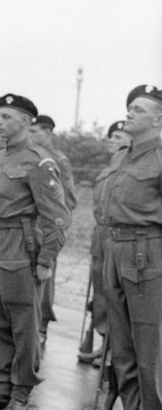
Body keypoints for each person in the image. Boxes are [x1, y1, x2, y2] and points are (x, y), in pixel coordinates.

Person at [0, 94, 68, 410]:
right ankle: (3, 386)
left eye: (7, 116)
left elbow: (56, 218)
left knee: (24, 325)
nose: (0, 122)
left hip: (22, 248)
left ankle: (21, 394)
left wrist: (46, 260)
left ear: (26, 122)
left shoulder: (38, 162)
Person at [86, 85, 162, 410]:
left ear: (159, 119)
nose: (129, 113)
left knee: (150, 350)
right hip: (114, 250)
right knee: (122, 346)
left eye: (139, 109)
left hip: (149, 252)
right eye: (129, 107)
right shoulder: (120, 157)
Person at [79, 120, 132, 363]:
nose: (113, 140)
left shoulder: (130, 168)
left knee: (118, 294)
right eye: (111, 136)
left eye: (120, 136)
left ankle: (116, 350)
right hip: (100, 235)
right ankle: (105, 342)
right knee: (101, 291)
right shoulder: (107, 169)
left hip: (118, 235)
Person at [28, 113, 75, 345]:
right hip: (27, 230)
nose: (31, 135)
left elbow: (68, 200)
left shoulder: (57, 160)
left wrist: (52, 225)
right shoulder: (30, 157)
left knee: (45, 279)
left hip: (47, 229)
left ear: (48, 132)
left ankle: (42, 325)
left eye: (35, 131)